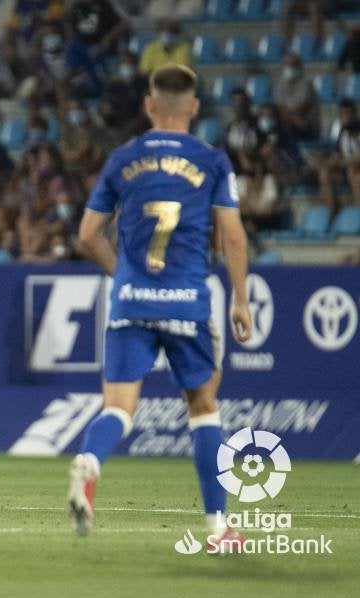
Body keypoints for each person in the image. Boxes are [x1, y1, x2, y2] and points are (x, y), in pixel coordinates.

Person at [68, 65, 252, 550]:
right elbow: (231, 233)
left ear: (149, 105)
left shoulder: (122, 159)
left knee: (119, 407)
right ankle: (218, 527)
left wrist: (124, 276)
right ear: (193, 107)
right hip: (187, 302)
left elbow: (87, 236)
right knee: (203, 408)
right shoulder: (212, 161)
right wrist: (241, 298)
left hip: (131, 302)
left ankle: (90, 462)